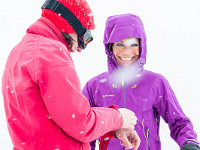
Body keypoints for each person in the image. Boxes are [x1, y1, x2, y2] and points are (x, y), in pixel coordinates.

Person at [1, 1, 140, 149]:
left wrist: (113, 129)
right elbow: (79, 122)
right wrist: (118, 117)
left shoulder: (20, 51)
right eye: (85, 38)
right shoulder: (51, 53)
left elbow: (55, 120)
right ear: (70, 24)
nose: (80, 49)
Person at [82, 13, 200, 150]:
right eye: (120, 44)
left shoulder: (156, 82)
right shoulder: (94, 87)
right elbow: (84, 130)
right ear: (110, 47)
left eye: (133, 44)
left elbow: (179, 122)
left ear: (141, 46)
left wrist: (189, 142)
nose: (127, 52)